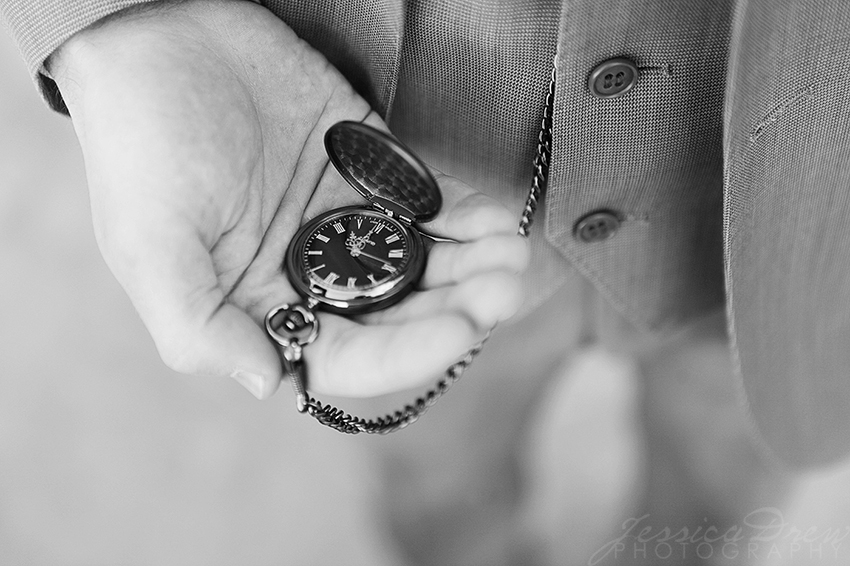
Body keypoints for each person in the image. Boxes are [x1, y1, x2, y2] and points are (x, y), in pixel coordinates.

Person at [4, 0, 850, 564]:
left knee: (714, 496)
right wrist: (110, 25)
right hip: (390, 144)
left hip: (800, 219)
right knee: (446, 497)